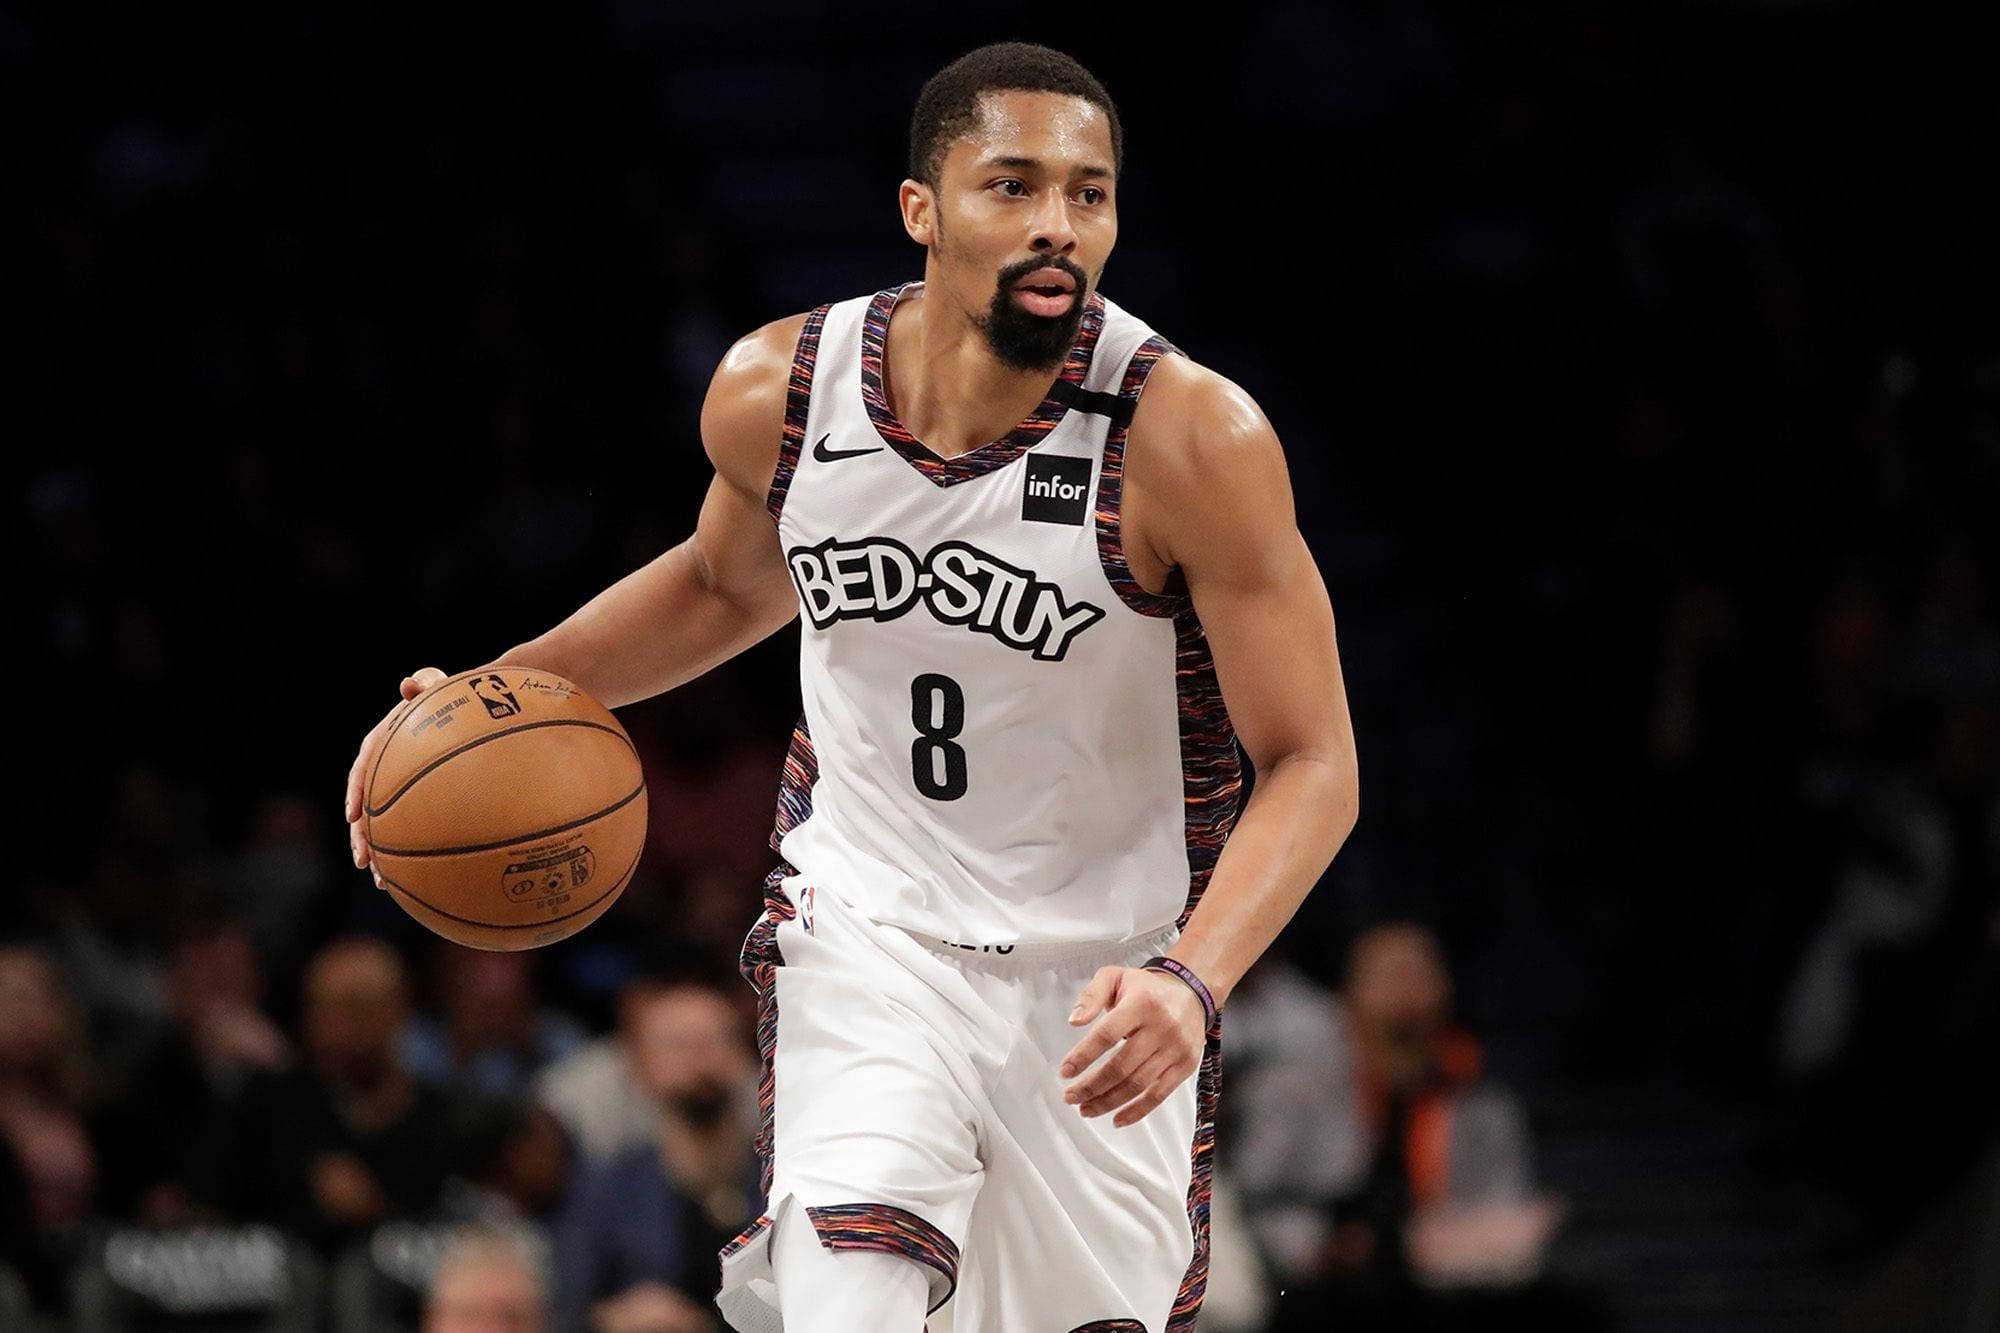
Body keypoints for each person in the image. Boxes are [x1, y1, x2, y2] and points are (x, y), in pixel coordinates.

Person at [347, 40, 1358, 1332]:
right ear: (920, 209)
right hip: (871, 933)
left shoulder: (1191, 439)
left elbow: (1314, 761)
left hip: (1105, 983)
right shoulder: (785, 391)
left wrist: (1192, 981)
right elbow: (721, 587)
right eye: (1013, 185)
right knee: (851, 1293)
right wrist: (490, 695)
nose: (1058, 223)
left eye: (1090, 193)